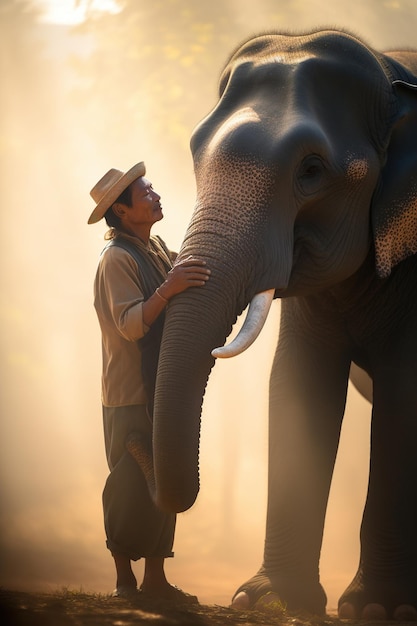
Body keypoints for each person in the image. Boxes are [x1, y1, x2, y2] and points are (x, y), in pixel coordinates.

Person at [88, 161, 210, 602]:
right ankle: (125, 578)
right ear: (121, 210)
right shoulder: (116, 258)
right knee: (128, 482)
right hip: (128, 395)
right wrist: (171, 286)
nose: (155, 196)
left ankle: (156, 577)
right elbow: (132, 324)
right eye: (145, 194)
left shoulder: (154, 247)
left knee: (167, 477)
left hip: (162, 387)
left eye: (153, 189)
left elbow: (181, 282)